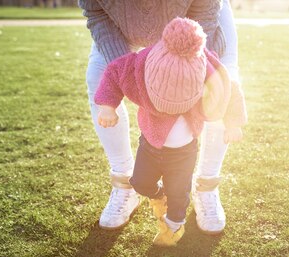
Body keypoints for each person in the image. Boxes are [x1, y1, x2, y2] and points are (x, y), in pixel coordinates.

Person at [79, 0, 242, 234]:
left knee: (222, 80)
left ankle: (206, 187)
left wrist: (188, 70)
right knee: (98, 78)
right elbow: (98, 16)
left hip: (195, 28)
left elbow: (205, 15)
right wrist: (128, 70)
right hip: (121, 25)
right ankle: (124, 184)